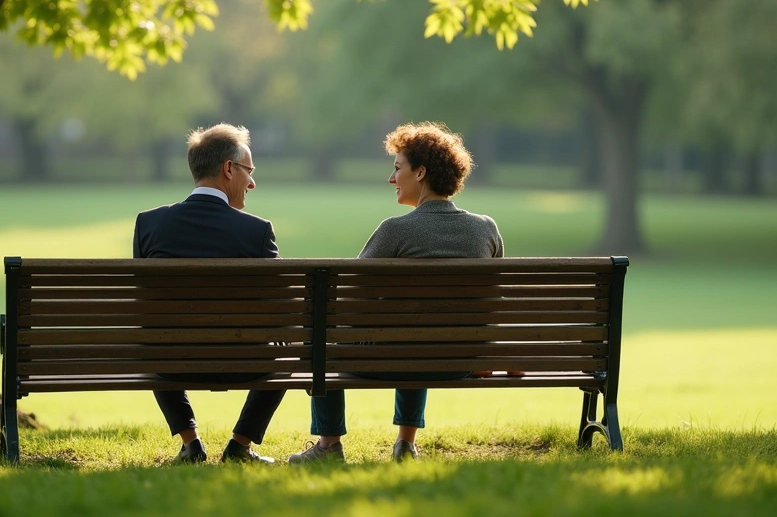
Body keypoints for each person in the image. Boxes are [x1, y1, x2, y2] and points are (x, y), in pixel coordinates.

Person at [288, 122, 505, 465]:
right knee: (418, 328)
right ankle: (406, 444)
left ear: (420, 173)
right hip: (459, 362)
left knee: (324, 337)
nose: (392, 179)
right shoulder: (486, 229)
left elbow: (343, 300)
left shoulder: (394, 230)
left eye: (397, 168)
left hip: (390, 358)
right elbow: (492, 304)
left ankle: (328, 446)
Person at [133, 123, 283, 465]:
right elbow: (283, 312)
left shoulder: (149, 225)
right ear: (228, 169)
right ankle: (239, 446)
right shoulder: (257, 231)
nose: (252, 182)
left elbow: (144, 307)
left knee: (153, 341)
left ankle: (191, 444)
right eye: (249, 171)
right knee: (288, 359)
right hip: (245, 362)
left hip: (169, 363)